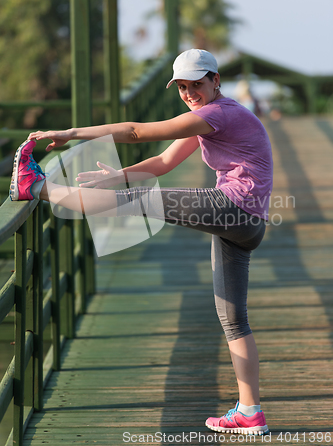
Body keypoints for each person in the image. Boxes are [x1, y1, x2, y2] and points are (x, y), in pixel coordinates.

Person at [10, 49, 273, 436]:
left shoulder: (219, 114)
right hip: (248, 223)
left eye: (197, 84)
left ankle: (36, 186)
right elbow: (165, 160)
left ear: (216, 80)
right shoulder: (210, 118)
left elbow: (136, 132)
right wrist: (120, 176)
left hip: (231, 207)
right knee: (234, 321)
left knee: (134, 204)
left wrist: (69, 134)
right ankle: (250, 412)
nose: (190, 93)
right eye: (182, 87)